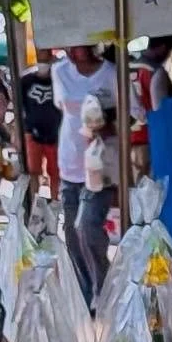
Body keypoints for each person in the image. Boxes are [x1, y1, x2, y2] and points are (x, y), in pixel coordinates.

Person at [51, 43, 118, 307]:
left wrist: (105, 124)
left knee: (86, 226)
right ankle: (85, 291)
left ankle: (104, 288)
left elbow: (134, 115)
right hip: (69, 163)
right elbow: (64, 111)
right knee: (70, 232)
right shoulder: (60, 72)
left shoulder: (111, 73)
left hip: (101, 165)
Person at [18, 50, 61, 193]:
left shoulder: (58, 78)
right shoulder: (26, 81)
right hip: (32, 131)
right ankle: (36, 202)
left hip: (54, 133)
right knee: (32, 171)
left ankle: (55, 201)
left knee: (55, 172)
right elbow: (20, 105)